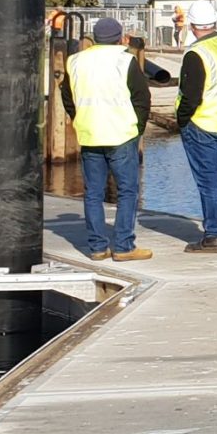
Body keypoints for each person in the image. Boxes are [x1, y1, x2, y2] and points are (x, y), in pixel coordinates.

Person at [61, 17, 152, 262]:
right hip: (121, 134)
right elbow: (142, 98)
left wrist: (79, 118)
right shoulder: (126, 60)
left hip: (90, 133)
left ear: (95, 37)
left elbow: (67, 96)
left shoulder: (75, 61)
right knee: (127, 191)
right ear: (119, 37)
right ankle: (123, 246)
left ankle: (97, 247)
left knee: (93, 193)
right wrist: (138, 128)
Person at [174, 0, 217, 252]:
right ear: (215, 22)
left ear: (191, 25)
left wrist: (181, 118)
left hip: (201, 121)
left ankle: (213, 235)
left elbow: (191, 94)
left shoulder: (196, 53)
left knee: (207, 180)